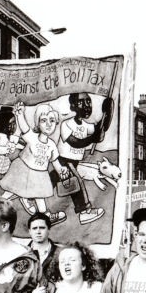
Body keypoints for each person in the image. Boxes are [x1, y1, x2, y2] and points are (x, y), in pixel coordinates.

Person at [0, 102, 67, 225]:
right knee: (11, 191)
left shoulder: (52, 145)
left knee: (39, 195)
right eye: (44, 120)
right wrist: (20, 114)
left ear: (56, 123)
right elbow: (24, 127)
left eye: (52, 120)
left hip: (39, 175)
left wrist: (61, 170)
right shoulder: (32, 137)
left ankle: (46, 216)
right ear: (38, 123)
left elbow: (55, 162)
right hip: (23, 170)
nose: (48, 124)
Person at [55, 92, 114, 225]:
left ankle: (28, 195)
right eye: (81, 102)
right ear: (73, 106)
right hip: (63, 160)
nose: (86, 105)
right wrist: (93, 138)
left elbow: (101, 128)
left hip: (75, 161)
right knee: (77, 182)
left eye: (88, 101)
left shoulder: (86, 125)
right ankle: (84, 212)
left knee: (52, 180)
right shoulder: (66, 124)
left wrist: (108, 111)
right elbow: (75, 142)